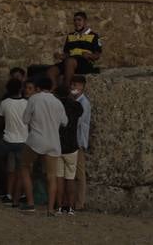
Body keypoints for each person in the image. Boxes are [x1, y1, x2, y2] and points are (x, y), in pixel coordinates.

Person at [18, 76, 66, 214]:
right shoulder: (57, 102)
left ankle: (30, 203)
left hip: (36, 140)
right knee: (52, 176)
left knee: (24, 166)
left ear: (37, 88)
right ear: (51, 88)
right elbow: (65, 121)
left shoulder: (34, 99)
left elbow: (25, 119)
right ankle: (50, 209)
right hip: (53, 142)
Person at [0, 78, 28, 204]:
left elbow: (0, 121)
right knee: (20, 170)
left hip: (8, 141)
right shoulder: (27, 103)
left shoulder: (4, 103)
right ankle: (19, 195)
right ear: (21, 89)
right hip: (23, 141)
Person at [54, 87, 85, 215]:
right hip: (72, 146)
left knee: (59, 178)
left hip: (58, 145)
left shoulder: (55, 107)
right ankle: (70, 207)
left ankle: (60, 206)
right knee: (70, 178)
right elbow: (79, 112)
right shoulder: (76, 106)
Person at [55, 11, 102, 91]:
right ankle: (51, 93)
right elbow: (66, 54)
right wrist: (60, 56)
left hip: (85, 63)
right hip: (70, 61)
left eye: (79, 20)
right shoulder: (70, 36)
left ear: (85, 22)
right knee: (51, 70)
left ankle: (65, 91)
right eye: (75, 20)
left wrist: (89, 55)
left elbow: (97, 55)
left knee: (69, 61)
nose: (76, 22)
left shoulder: (94, 36)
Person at [71, 75, 91, 211]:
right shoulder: (75, 101)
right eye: (72, 84)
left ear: (82, 87)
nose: (73, 87)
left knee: (79, 173)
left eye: (76, 85)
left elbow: (77, 121)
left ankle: (80, 203)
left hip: (78, 141)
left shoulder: (84, 103)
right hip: (74, 141)